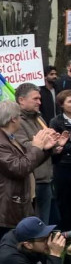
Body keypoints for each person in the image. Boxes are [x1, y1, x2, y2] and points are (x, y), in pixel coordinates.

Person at [0, 101, 58, 251]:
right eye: (19, 116)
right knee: (7, 248)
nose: (20, 120)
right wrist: (36, 147)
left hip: (13, 201)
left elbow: (28, 162)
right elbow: (20, 168)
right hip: (6, 206)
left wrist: (45, 149)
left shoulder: (7, 136)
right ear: (13, 119)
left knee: (17, 249)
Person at [14, 83, 59, 223]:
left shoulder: (39, 118)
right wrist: (45, 143)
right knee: (36, 225)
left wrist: (56, 145)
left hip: (46, 178)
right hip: (32, 182)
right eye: (35, 99)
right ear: (21, 100)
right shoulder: (16, 121)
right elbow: (23, 148)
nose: (39, 102)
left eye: (39, 98)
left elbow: (45, 147)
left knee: (48, 222)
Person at [49, 90, 71, 234]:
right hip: (63, 166)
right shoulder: (56, 122)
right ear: (62, 105)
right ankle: (65, 231)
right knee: (64, 199)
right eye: (70, 101)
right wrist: (64, 147)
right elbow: (56, 145)